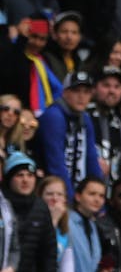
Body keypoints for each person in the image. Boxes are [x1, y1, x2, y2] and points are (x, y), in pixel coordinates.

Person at [35, 68, 101, 196]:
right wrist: (69, 200)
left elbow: (91, 158)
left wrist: (96, 194)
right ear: (65, 93)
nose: (82, 96)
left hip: (78, 194)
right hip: (54, 193)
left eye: (86, 92)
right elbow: (56, 163)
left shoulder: (85, 118)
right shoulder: (54, 116)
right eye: (76, 91)